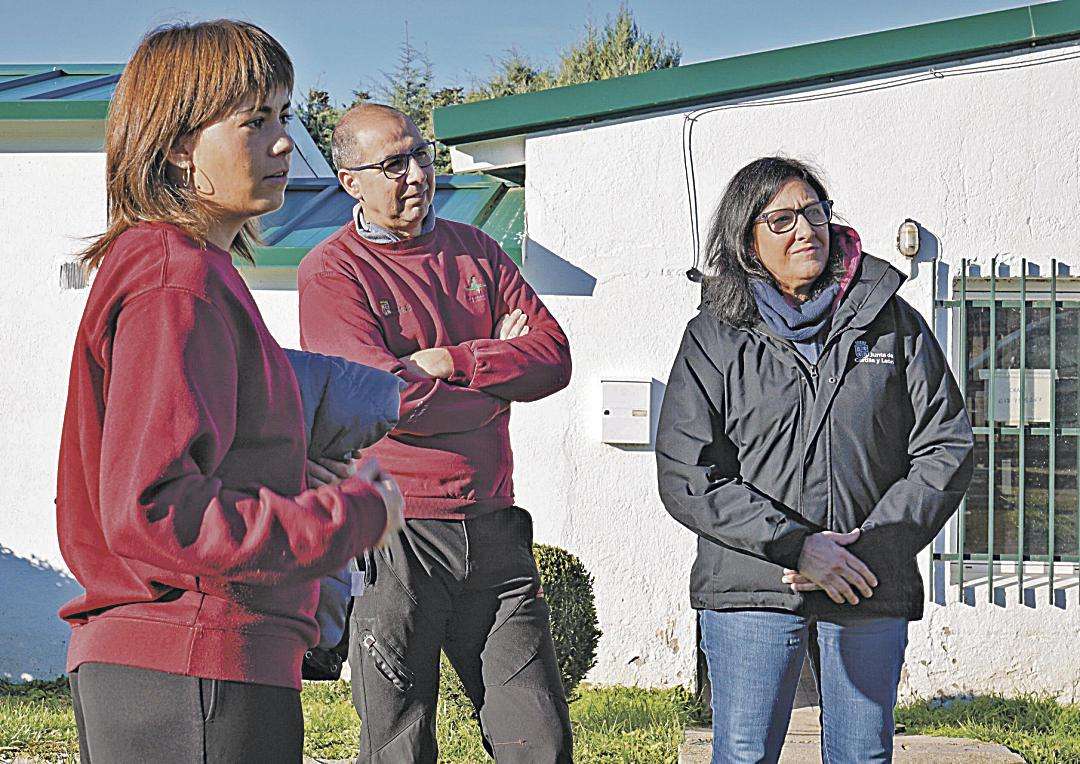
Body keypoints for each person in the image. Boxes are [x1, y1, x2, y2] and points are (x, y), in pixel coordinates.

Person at [56, 21, 402, 764]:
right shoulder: (174, 279)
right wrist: (344, 518)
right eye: (255, 121)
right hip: (190, 670)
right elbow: (155, 508)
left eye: (285, 115)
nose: (285, 141)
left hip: (191, 669)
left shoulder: (186, 271)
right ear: (179, 143)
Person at [656, 156, 973, 763]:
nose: (805, 230)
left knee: (863, 755)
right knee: (745, 755)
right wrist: (798, 546)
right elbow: (687, 473)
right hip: (753, 584)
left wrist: (867, 547)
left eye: (814, 212)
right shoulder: (714, 336)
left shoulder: (891, 324)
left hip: (866, 579)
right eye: (781, 220)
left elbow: (945, 444)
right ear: (747, 240)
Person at [297, 103, 574, 762]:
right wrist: (498, 393)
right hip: (395, 533)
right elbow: (383, 399)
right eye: (393, 163)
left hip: (493, 528)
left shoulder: (475, 249)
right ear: (349, 181)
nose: (417, 174)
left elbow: (555, 357)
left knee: (539, 736)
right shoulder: (333, 272)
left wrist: (457, 361)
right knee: (400, 739)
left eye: (421, 154)